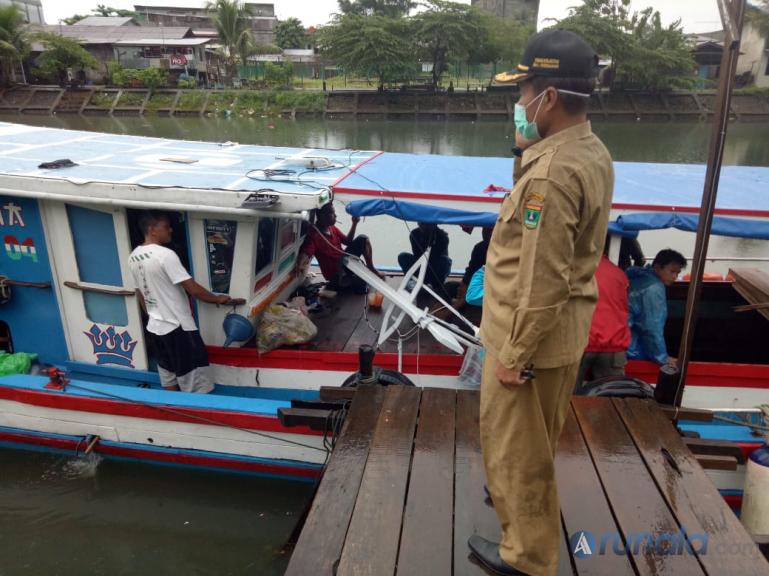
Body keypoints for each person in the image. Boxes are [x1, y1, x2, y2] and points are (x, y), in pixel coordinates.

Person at [469, 30, 613, 576]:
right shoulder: (586, 150)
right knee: (534, 444)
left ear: (547, 97)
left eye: (525, 89)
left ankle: (527, 559)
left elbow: (541, 275)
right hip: (561, 334)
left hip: (528, 339)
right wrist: (525, 151)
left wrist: (514, 353)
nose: (519, 101)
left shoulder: (551, 176)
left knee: (516, 451)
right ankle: (522, 518)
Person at [129, 212, 243, 393]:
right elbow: (193, 289)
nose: (171, 230)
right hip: (178, 327)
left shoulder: (133, 256)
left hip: (155, 327)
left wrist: (151, 315)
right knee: (195, 381)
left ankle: (174, 411)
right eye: (166, 226)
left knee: (168, 375)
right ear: (152, 229)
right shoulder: (165, 255)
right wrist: (218, 298)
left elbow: (140, 294)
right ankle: (199, 414)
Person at [575, 242, 631, 393]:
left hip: (580, 342)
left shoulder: (575, 269)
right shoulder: (619, 274)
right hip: (613, 344)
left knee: (566, 399)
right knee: (612, 397)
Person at [298, 203, 381, 293]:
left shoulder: (332, 228)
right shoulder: (314, 235)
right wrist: (301, 264)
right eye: (332, 213)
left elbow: (347, 241)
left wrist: (354, 223)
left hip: (345, 263)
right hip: (336, 275)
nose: (335, 216)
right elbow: (307, 252)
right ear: (322, 216)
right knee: (362, 283)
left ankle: (371, 267)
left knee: (363, 239)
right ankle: (342, 283)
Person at [626, 248, 687, 367]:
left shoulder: (640, 276)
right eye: (672, 271)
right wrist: (662, 358)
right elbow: (651, 328)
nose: (675, 277)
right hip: (628, 346)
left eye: (678, 273)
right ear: (658, 267)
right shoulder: (654, 288)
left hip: (617, 335)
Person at [397, 222, 451, 297]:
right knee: (402, 256)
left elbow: (436, 256)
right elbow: (418, 255)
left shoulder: (442, 236)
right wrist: (424, 238)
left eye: (426, 224)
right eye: (420, 223)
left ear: (434, 224)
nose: (422, 225)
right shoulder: (414, 233)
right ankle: (412, 280)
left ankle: (437, 286)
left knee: (446, 261)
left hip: (435, 268)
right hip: (421, 263)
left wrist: (430, 237)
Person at [450, 226, 492, 312]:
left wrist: (460, 302)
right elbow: (470, 271)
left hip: (489, 290)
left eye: (490, 230)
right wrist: (462, 288)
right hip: (476, 284)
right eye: (484, 229)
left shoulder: (503, 251)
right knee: (450, 286)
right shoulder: (480, 247)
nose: (485, 232)